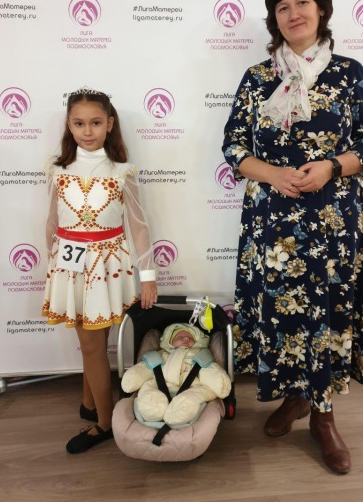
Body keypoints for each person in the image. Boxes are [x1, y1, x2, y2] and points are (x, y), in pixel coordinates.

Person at [222, 0, 363, 474]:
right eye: (283, 6)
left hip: (333, 220)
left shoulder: (348, 72)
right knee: (284, 313)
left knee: (328, 312)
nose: (293, 13)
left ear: (322, 9)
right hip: (274, 223)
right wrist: (273, 173)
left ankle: (323, 416)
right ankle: (295, 397)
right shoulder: (258, 78)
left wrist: (332, 167)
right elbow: (233, 147)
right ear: (274, 18)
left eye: (303, 3)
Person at [43, 88, 158, 454]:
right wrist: (55, 266)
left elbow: (139, 226)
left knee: (94, 343)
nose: (87, 131)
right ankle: (90, 403)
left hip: (108, 265)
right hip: (69, 265)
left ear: (109, 124)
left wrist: (148, 276)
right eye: (79, 123)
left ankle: (104, 424)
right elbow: (52, 222)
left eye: (95, 123)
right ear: (69, 125)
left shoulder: (122, 172)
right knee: (90, 342)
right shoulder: (58, 170)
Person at [121, 323, 231, 426]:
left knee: (199, 393)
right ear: (169, 341)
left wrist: (221, 384)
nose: (186, 339)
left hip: (191, 387)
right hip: (160, 384)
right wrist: (132, 379)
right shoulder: (161, 355)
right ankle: (153, 407)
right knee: (148, 388)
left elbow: (209, 371)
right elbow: (146, 367)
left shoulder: (199, 356)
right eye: (180, 337)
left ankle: (182, 408)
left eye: (191, 338)